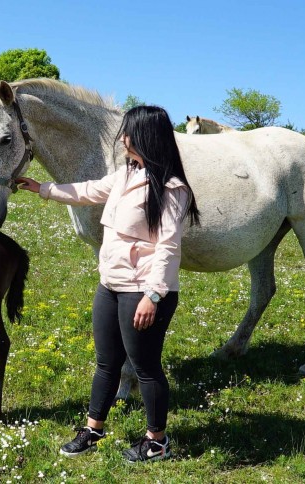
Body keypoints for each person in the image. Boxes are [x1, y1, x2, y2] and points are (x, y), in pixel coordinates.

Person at [16, 105, 200, 463]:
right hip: (111, 284)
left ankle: (157, 441)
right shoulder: (125, 175)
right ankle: (94, 428)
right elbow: (88, 190)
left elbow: (168, 247)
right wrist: (43, 188)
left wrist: (153, 295)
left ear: (147, 137)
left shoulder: (172, 189)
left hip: (143, 291)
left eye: (129, 133)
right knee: (106, 363)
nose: (124, 139)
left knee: (146, 367)